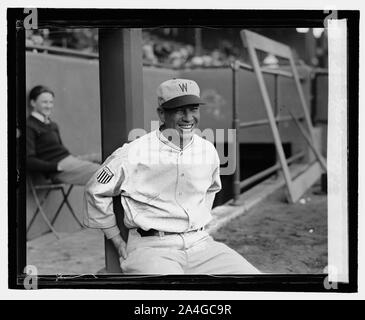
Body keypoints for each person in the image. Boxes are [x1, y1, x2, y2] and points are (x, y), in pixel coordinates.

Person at [83, 79, 261, 274]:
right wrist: (115, 238)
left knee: (258, 285)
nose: (188, 117)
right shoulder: (134, 151)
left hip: (200, 244)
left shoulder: (208, 149)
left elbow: (211, 190)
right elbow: (95, 190)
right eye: (179, 110)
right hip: (152, 248)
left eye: (193, 109)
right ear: (161, 114)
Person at [26, 85, 101, 186]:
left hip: (69, 159)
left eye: (51, 102)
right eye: (44, 102)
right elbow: (28, 160)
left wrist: (72, 160)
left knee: (105, 156)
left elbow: (60, 150)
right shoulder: (29, 126)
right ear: (33, 103)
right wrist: (56, 167)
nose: (49, 106)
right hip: (58, 168)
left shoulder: (52, 125)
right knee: (103, 172)